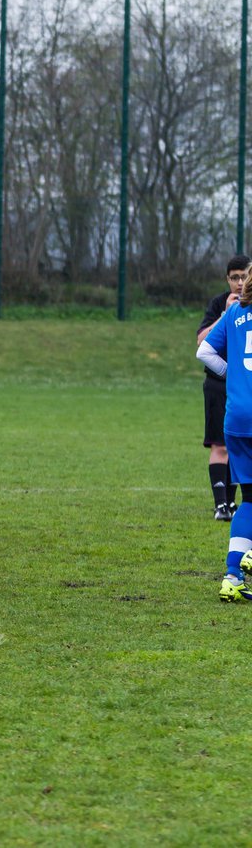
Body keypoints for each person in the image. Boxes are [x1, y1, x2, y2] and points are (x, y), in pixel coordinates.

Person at [198, 278, 252, 601]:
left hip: (236, 418)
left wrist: (231, 373)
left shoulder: (233, 314)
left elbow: (204, 351)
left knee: (249, 499)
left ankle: (232, 577)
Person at [197, 255, 249, 521]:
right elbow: (201, 342)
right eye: (235, 277)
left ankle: (236, 502)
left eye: (244, 276)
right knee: (221, 444)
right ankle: (221, 505)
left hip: (243, 389)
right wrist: (225, 315)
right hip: (219, 385)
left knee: (237, 445)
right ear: (228, 279)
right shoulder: (220, 304)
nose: (240, 283)